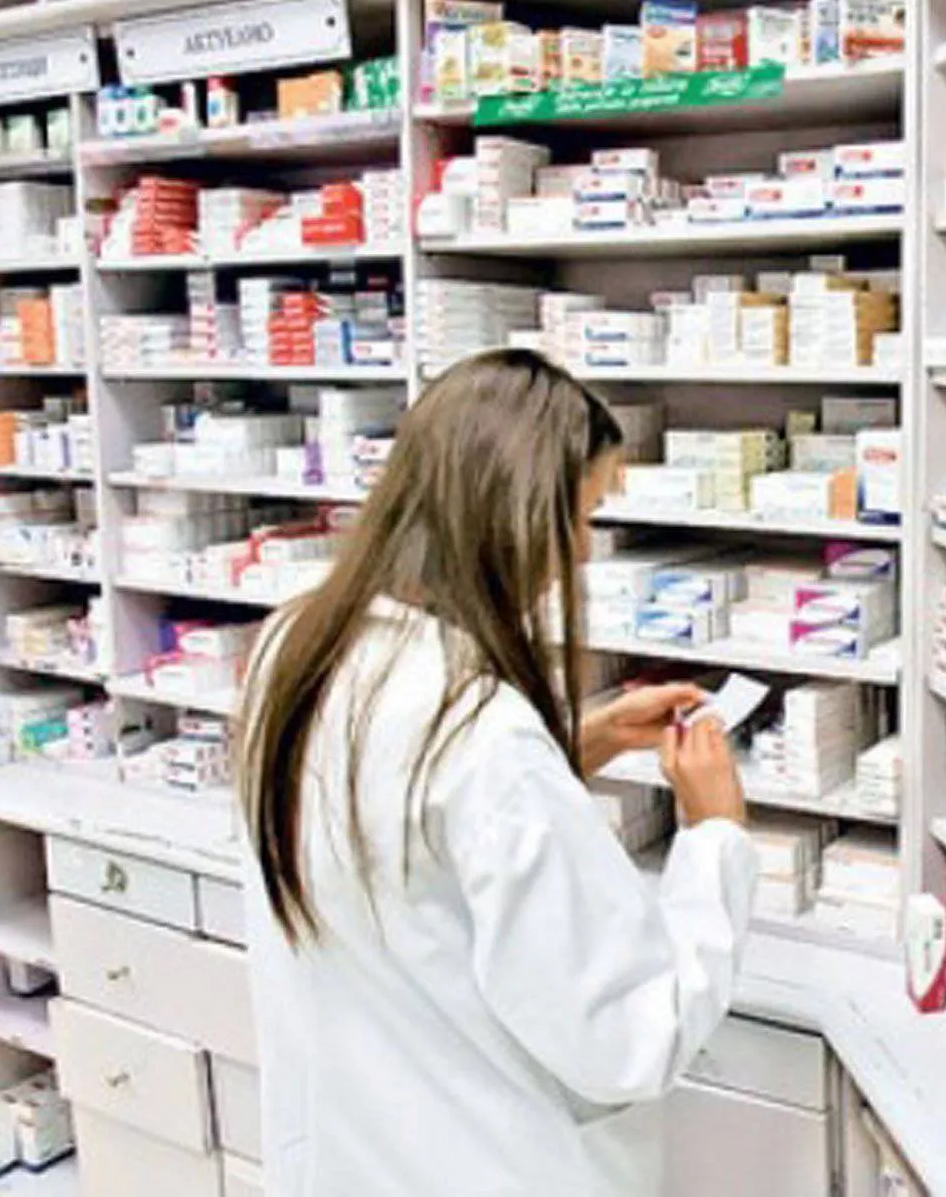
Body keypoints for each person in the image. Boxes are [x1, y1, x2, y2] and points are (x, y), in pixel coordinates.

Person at [236, 350, 758, 1196]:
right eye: (581, 516)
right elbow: (632, 1037)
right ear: (512, 517)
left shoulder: (296, 645)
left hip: (354, 1157)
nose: (582, 551)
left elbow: (400, 831)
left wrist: (569, 746)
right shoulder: (484, 736)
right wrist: (714, 837)